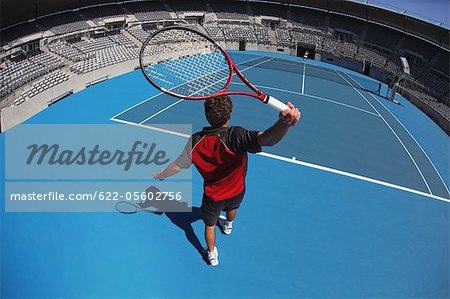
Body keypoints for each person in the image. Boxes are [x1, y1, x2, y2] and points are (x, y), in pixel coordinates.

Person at [153, 95, 301, 266]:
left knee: (209, 226)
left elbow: (178, 166)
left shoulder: (195, 141)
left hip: (213, 197)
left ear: (207, 115)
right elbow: (267, 139)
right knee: (232, 208)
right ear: (229, 114)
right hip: (237, 191)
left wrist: (162, 174)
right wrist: (284, 123)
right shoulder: (235, 136)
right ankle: (228, 225)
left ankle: (211, 254)